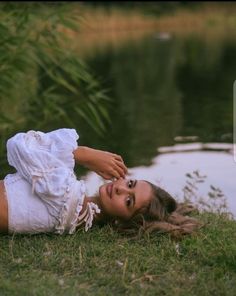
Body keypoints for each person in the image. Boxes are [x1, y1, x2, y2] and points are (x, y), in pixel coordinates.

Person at [0, 128, 201, 238]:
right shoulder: (72, 204)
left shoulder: (66, 199)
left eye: (128, 201)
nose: (120, 189)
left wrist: (84, 154)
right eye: (130, 184)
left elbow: (19, 145)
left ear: (122, 221)